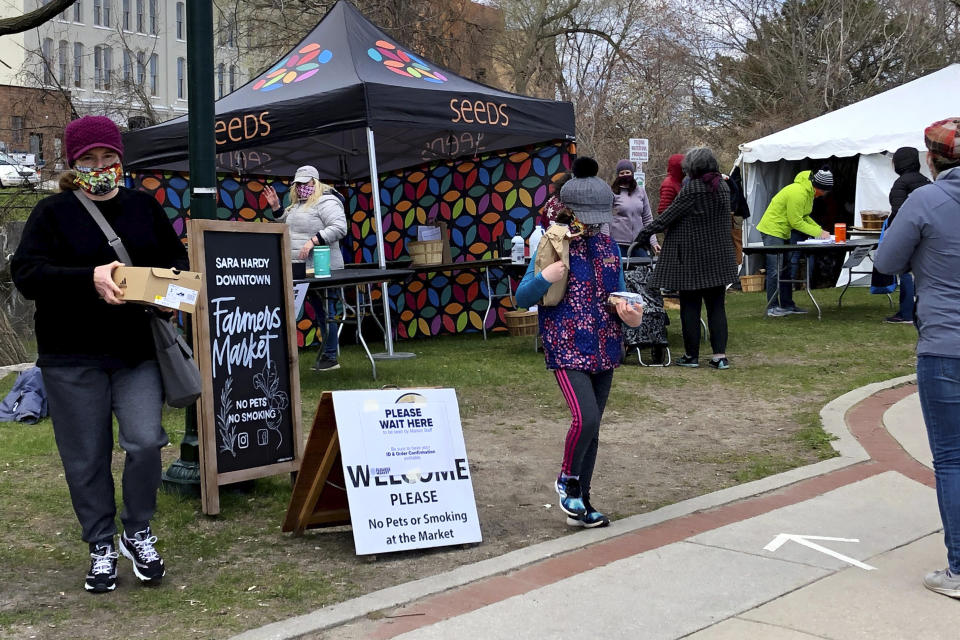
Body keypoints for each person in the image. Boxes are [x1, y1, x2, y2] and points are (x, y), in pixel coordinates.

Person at [11, 116, 188, 593]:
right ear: (74, 164)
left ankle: (137, 530)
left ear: (120, 159)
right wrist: (87, 277)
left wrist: (167, 292)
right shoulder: (51, 212)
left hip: (136, 354)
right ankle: (100, 544)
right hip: (71, 359)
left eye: (108, 157)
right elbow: (27, 275)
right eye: (89, 159)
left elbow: (179, 266)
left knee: (146, 442)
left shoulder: (144, 208)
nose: (100, 166)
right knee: (86, 457)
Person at [515, 162, 643, 528]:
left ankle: (582, 504)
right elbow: (523, 297)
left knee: (594, 426)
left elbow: (618, 291)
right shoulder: (550, 242)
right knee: (584, 418)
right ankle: (567, 481)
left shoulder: (607, 245)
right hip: (567, 344)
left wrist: (628, 309)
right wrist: (544, 277)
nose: (595, 223)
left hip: (605, 345)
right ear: (569, 208)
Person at [874, 117, 960, 600]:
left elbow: (886, 262)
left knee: (951, 459)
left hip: (945, 344)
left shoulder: (924, 201)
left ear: (932, 157)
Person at [635, 147, 739, 369]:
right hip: (720, 257)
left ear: (693, 167)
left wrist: (644, 234)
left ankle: (691, 356)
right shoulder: (722, 187)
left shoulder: (692, 189)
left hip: (693, 258)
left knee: (690, 307)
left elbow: (668, 216)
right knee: (716, 307)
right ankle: (720, 357)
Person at [264, 166, 347, 371]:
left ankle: (330, 357)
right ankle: (324, 355)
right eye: (298, 184)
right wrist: (276, 208)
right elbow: (287, 225)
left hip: (324, 268)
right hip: (302, 269)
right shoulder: (297, 205)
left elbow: (339, 227)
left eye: (305, 183)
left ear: (315, 182)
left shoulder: (327, 201)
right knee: (318, 312)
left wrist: (313, 240)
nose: (301, 187)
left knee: (326, 312)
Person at [756, 166, 834, 317]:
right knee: (775, 269)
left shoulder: (808, 192)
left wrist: (819, 229)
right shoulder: (798, 193)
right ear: (818, 186)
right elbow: (796, 221)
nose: (823, 195)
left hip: (783, 231)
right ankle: (772, 307)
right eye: (824, 191)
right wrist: (819, 233)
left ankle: (787, 304)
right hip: (772, 230)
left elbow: (804, 216)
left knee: (785, 268)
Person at [882, 146, 930, 324]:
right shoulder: (926, 180)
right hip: (927, 232)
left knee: (906, 273)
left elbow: (900, 212)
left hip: (910, 234)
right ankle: (921, 310)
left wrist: (892, 231)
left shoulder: (901, 183)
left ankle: (906, 313)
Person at [610, 159, 659, 257]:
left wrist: (654, 242)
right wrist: (605, 241)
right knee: (619, 270)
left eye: (627, 172)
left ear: (632, 173)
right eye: (622, 173)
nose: (625, 175)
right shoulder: (612, 193)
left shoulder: (641, 192)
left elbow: (647, 218)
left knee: (645, 266)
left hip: (638, 242)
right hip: (617, 243)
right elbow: (606, 219)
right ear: (617, 175)